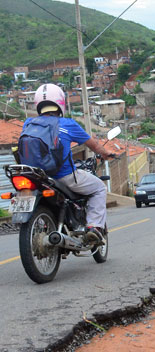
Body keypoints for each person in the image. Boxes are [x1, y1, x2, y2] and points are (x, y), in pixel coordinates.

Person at [21, 83, 114, 245]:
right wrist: (106, 154)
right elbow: (94, 146)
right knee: (99, 188)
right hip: (63, 176)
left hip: (37, 177)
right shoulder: (68, 124)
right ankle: (94, 227)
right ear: (60, 103)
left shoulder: (28, 123)